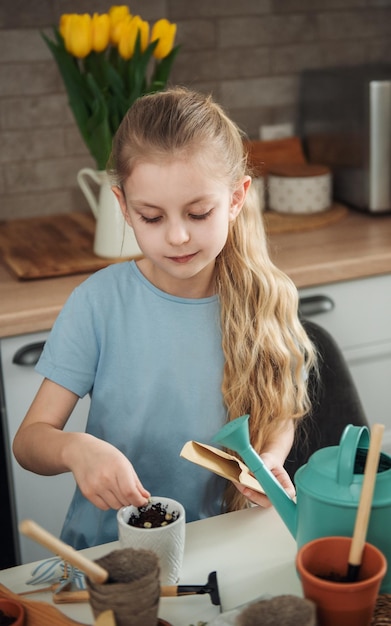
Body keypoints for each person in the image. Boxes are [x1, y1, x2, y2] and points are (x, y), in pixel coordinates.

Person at [13, 87, 317, 550]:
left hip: (217, 545)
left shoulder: (265, 298)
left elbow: (278, 412)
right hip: (108, 551)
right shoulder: (98, 303)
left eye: (198, 213)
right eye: (151, 217)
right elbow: (30, 441)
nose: (177, 236)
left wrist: (269, 460)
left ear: (236, 199)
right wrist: (76, 449)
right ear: (122, 207)